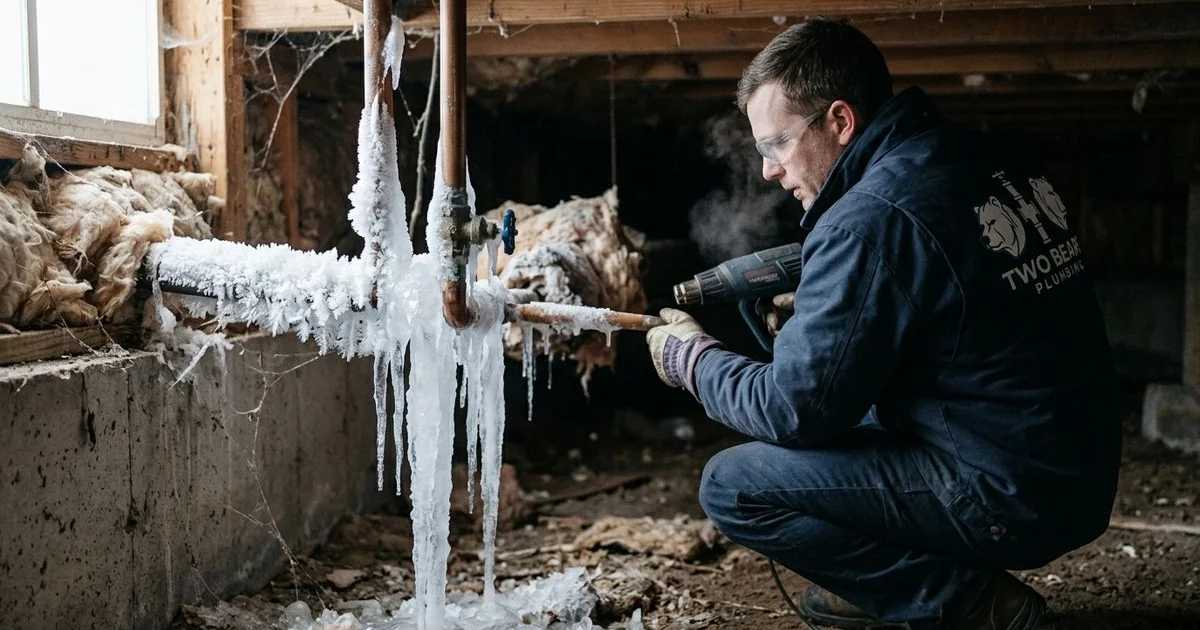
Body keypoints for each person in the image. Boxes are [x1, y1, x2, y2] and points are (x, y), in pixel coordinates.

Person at [645, 18, 1121, 630]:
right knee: (856, 406)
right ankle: (890, 591)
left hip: (1010, 496)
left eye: (777, 144)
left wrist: (696, 362)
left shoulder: (867, 220)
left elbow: (792, 411)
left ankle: (969, 604)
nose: (768, 170)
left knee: (735, 485)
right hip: (1077, 474)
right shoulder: (986, 161)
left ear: (841, 121)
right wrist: (841, 316)